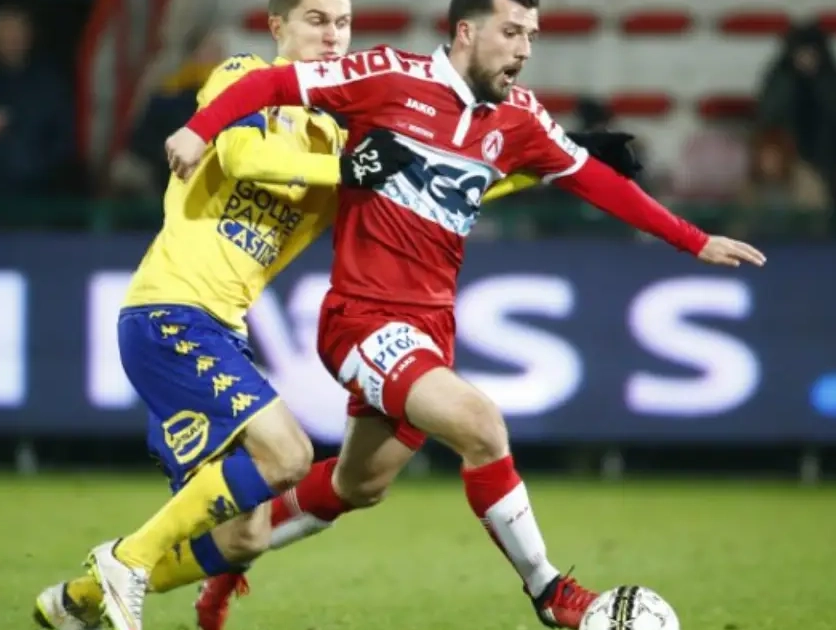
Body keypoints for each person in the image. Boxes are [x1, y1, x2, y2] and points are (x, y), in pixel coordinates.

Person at [31, 2, 643, 630]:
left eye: (342, 24)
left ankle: (76, 601)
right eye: (315, 20)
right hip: (171, 308)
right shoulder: (241, 76)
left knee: (244, 537)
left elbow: (439, 180)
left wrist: (560, 164)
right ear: (276, 27)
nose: (332, 36)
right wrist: (348, 168)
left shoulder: (334, 135)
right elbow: (241, 158)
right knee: (287, 455)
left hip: (223, 328)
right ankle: (126, 560)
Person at [161, 2, 766, 630]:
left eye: (531, 35)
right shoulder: (388, 76)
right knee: (481, 426)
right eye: (512, 32)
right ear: (467, 32)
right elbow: (271, 84)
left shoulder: (519, 118)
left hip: (430, 329)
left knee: (357, 485)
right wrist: (199, 131)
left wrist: (693, 240)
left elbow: (596, 181)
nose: (524, 49)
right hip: (361, 320)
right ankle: (552, 593)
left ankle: (222, 564)